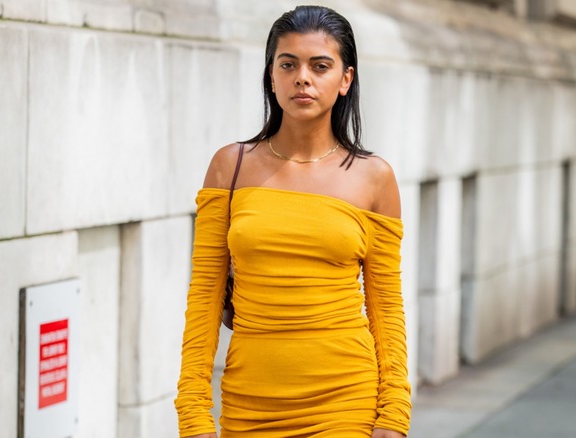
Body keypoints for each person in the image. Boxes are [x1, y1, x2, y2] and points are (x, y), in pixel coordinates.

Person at [175, 5, 411, 437]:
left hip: (345, 404)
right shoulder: (230, 167)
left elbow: (386, 307)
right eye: (289, 64)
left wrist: (394, 416)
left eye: (320, 66)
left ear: (345, 80)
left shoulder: (374, 177)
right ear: (271, 76)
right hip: (249, 405)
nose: (303, 77)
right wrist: (193, 413)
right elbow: (205, 296)